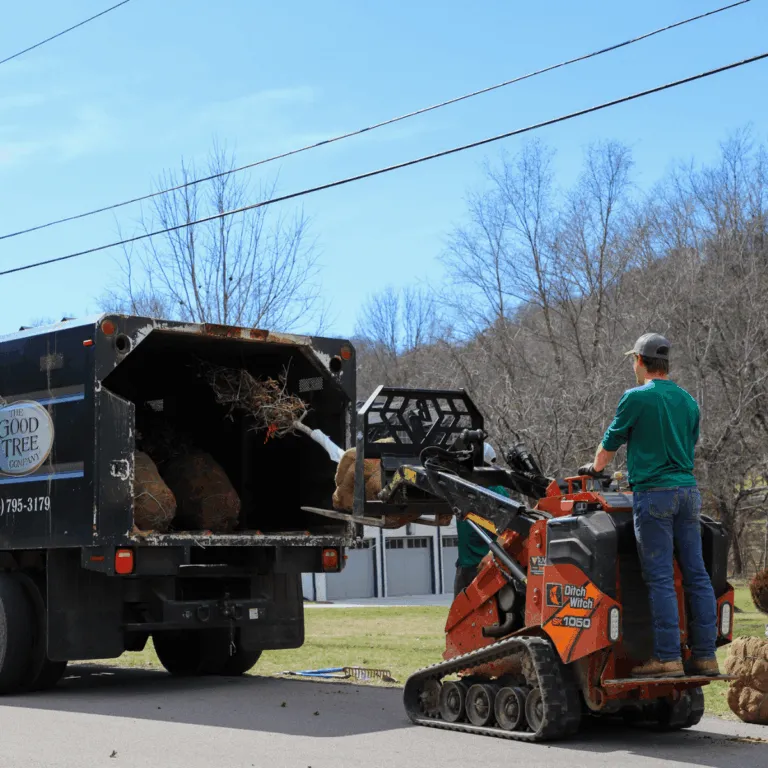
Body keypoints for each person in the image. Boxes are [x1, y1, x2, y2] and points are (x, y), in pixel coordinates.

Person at [578, 333, 719, 679]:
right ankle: (705, 656)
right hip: (688, 493)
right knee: (697, 576)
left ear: (639, 361)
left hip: (654, 495)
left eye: (633, 361)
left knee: (659, 579)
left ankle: (668, 658)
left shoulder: (635, 398)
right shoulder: (688, 401)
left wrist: (594, 469)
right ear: (665, 363)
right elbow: (687, 444)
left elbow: (608, 445)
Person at [454, 444, 510, 597]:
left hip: (485, 565)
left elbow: (509, 529)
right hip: (467, 565)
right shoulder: (459, 487)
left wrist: (492, 555)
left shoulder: (496, 492)